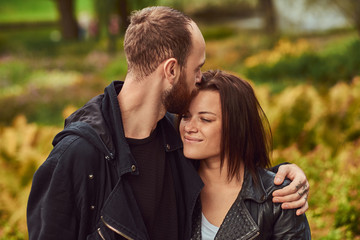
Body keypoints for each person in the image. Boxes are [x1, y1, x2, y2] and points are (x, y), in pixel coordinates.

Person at [27, 6, 309, 240]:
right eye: (196, 68)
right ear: (171, 69)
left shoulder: (175, 140)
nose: (200, 79)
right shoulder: (77, 156)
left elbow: (228, 171)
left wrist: (284, 178)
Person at [179, 70, 311, 239]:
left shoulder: (280, 198)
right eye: (185, 116)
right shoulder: (173, 186)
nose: (189, 127)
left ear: (237, 126)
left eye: (205, 119)